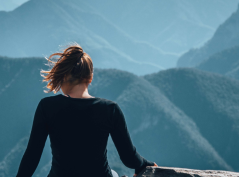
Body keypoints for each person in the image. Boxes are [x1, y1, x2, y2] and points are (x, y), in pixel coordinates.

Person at [15, 44, 158, 177]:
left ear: (64, 76)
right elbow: (129, 159)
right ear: (90, 78)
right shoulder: (110, 109)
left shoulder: (47, 106)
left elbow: (32, 155)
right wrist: (146, 165)